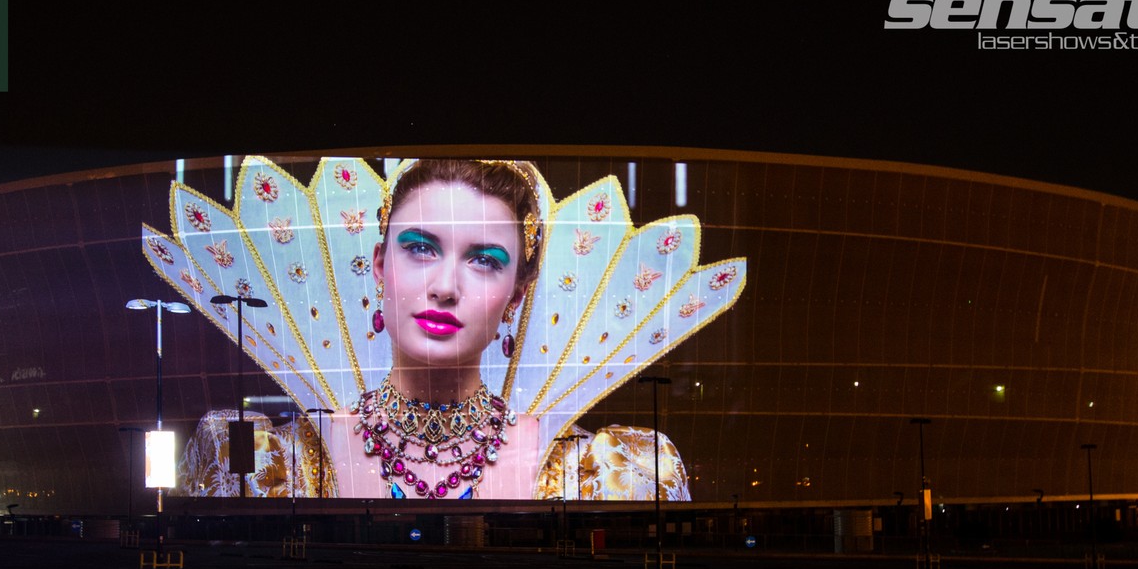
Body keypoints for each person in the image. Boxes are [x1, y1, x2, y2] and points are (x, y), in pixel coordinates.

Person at [152, 156, 747, 501]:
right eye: (420, 248)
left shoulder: (605, 470)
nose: (445, 286)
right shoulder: (266, 460)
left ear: (515, 296)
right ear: (381, 266)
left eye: (484, 260)